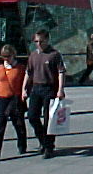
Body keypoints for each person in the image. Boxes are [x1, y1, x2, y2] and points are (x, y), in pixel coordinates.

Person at [21, 29, 65, 159]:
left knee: (48, 119)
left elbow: (61, 72)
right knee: (32, 116)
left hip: (49, 88)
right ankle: (42, 140)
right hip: (36, 88)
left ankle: (49, 146)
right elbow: (28, 73)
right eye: (36, 41)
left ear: (47, 40)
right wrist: (24, 89)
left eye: (41, 41)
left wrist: (60, 89)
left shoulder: (54, 55)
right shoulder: (33, 55)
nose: (38, 44)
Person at [0, 44, 27, 162]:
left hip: (15, 99)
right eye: (4, 57)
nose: (6, 59)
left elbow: (23, 84)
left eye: (8, 56)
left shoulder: (20, 68)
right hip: (1, 98)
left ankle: (22, 144)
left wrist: (23, 95)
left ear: (13, 55)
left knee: (18, 123)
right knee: (0, 125)